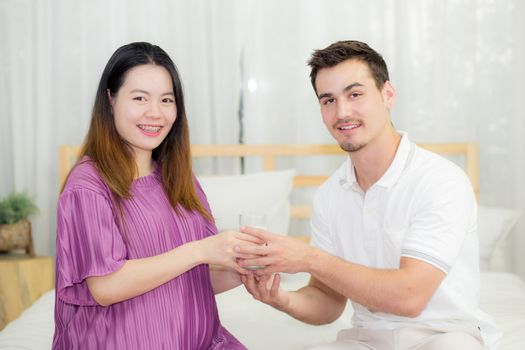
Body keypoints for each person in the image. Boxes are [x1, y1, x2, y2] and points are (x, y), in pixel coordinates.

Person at [236, 40, 500, 350]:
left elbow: (410, 297)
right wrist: (282, 299)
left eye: (355, 94)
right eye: (328, 100)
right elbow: (327, 300)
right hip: (366, 340)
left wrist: (309, 258)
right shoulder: (330, 195)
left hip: (445, 337)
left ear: (388, 95)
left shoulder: (440, 180)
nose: (342, 112)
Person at [52, 42, 260, 349]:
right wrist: (200, 250)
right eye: (139, 98)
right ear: (110, 99)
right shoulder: (87, 187)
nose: (155, 113)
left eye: (166, 100)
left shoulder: (178, 178)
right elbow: (106, 286)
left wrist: (241, 272)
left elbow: (192, 279)